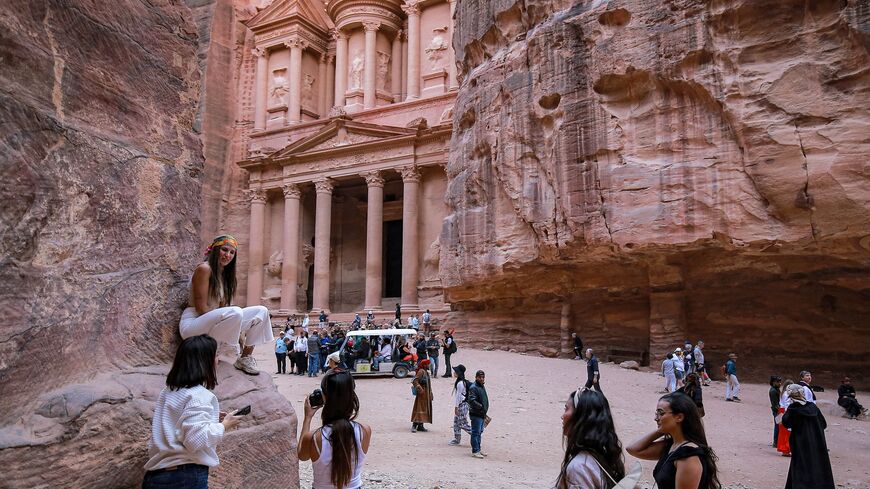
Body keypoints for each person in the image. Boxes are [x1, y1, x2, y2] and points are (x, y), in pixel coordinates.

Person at [142, 335, 242, 488]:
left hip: (155, 477)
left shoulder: (168, 392)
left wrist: (210, 418)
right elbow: (195, 440)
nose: (218, 360)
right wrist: (224, 426)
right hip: (185, 476)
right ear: (204, 361)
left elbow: (178, 426)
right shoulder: (199, 396)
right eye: (215, 355)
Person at [179, 235, 273, 376]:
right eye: (224, 250)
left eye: (232, 252)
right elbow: (200, 308)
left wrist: (233, 325)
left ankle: (245, 358)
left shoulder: (227, 277)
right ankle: (214, 353)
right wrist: (230, 325)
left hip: (216, 321)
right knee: (235, 312)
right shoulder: (204, 269)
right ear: (215, 250)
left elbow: (224, 310)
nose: (228, 255)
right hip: (194, 323)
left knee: (262, 311)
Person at [626, 393, 722, 489]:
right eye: (656, 413)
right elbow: (633, 449)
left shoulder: (688, 456)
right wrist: (663, 428)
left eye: (661, 413)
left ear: (679, 417)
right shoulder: (673, 445)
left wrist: (663, 427)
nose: (656, 418)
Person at [298, 369, 372, 489]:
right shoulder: (364, 430)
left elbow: (302, 455)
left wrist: (307, 418)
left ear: (324, 397)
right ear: (352, 396)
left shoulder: (314, 438)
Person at [555, 387, 625, 489]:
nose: (563, 416)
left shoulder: (579, 466)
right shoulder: (599, 457)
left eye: (566, 408)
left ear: (580, 416)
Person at [782, 383, 835, 489]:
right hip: (817, 443)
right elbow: (823, 424)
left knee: (801, 467)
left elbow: (786, 422)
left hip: (801, 444)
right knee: (818, 465)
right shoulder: (813, 407)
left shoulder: (793, 410)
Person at [467, 370, 489, 458]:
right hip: (476, 414)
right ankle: (475, 450)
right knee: (475, 432)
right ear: (476, 377)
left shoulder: (481, 386)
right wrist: (481, 407)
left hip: (481, 414)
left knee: (479, 432)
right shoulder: (474, 387)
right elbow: (472, 400)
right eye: (480, 377)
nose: (482, 379)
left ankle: (478, 449)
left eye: (483, 377)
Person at [449, 365, 472, 446]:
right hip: (463, 405)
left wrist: (456, 407)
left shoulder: (460, 383)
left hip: (462, 405)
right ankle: (457, 439)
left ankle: (475, 434)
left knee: (462, 423)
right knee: (456, 422)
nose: (454, 373)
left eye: (455, 371)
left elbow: (458, 397)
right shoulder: (462, 382)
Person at [411, 358, 434, 433]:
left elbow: (429, 384)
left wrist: (431, 393)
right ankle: (414, 425)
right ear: (424, 365)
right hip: (421, 395)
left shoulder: (426, 372)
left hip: (426, 395)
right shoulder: (421, 371)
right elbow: (414, 380)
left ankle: (420, 426)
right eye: (428, 364)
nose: (429, 365)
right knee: (419, 409)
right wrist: (419, 388)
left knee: (424, 409)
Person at [777, 380, 795, 457]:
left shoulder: (783, 393)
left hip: (781, 411)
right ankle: (786, 449)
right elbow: (788, 405)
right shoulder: (788, 394)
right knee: (787, 432)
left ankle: (784, 449)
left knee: (782, 432)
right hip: (786, 412)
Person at [769, 376, 783, 446]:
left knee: (778, 425)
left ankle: (777, 440)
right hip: (777, 411)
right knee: (777, 426)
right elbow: (775, 404)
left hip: (778, 410)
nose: (780, 383)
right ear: (773, 382)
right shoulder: (773, 391)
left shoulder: (776, 389)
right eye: (778, 382)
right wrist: (780, 411)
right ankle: (776, 441)